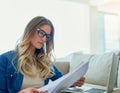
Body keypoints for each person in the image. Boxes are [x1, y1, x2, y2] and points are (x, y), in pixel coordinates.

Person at [0, 16, 85, 93]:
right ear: (30, 30)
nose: (44, 39)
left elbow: (60, 80)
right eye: (41, 33)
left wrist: (73, 82)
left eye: (47, 36)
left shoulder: (45, 61)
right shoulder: (5, 59)